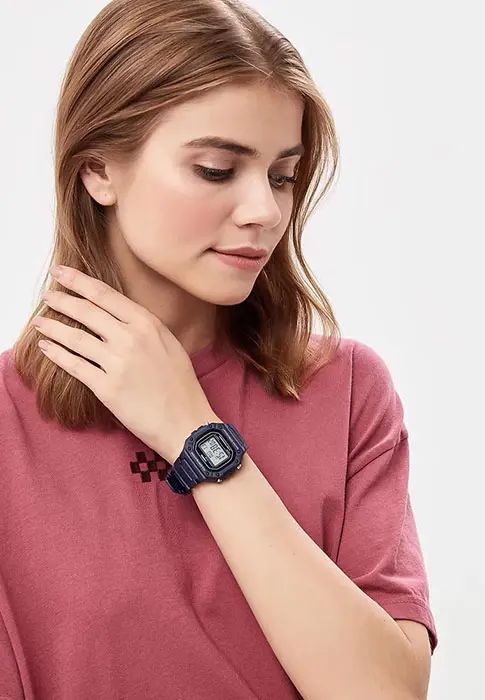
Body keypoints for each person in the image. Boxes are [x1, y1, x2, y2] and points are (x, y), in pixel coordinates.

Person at [0, 1, 438, 698]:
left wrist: (193, 431)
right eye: (215, 169)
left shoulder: (348, 391)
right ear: (97, 169)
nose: (264, 211)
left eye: (282, 176)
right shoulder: (7, 421)